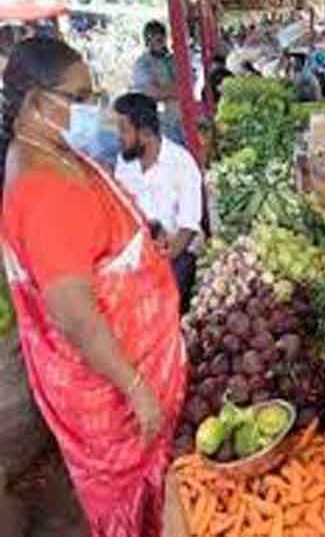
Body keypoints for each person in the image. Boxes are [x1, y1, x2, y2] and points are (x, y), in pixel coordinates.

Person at [0, 38, 187, 536]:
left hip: (132, 369)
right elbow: (73, 314)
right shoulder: (40, 189)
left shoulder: (54, 151)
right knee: (131, 502)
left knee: (161, 494)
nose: (93, 109)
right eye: (80, 98)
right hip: (111, 396)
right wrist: (136, 389)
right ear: (38, 102)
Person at [113, 93, 203, 311]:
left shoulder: (181, 163)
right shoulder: (125, 163)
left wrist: (160, 263)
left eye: (124, 130)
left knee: (163, 304)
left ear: (145, 133)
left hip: (176, 254)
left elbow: (188, 227)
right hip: (138, 253)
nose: (118, 137)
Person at [131, 20, 185, 145]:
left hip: (180, 118)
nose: (161, 44)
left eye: (162, 39)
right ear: (147, 42)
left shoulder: (173, 60)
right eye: (157, 40)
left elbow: (188, 83)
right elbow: (153, 93)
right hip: (159, 123)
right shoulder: (142, 64)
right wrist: (177, 90)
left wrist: (171, 90)